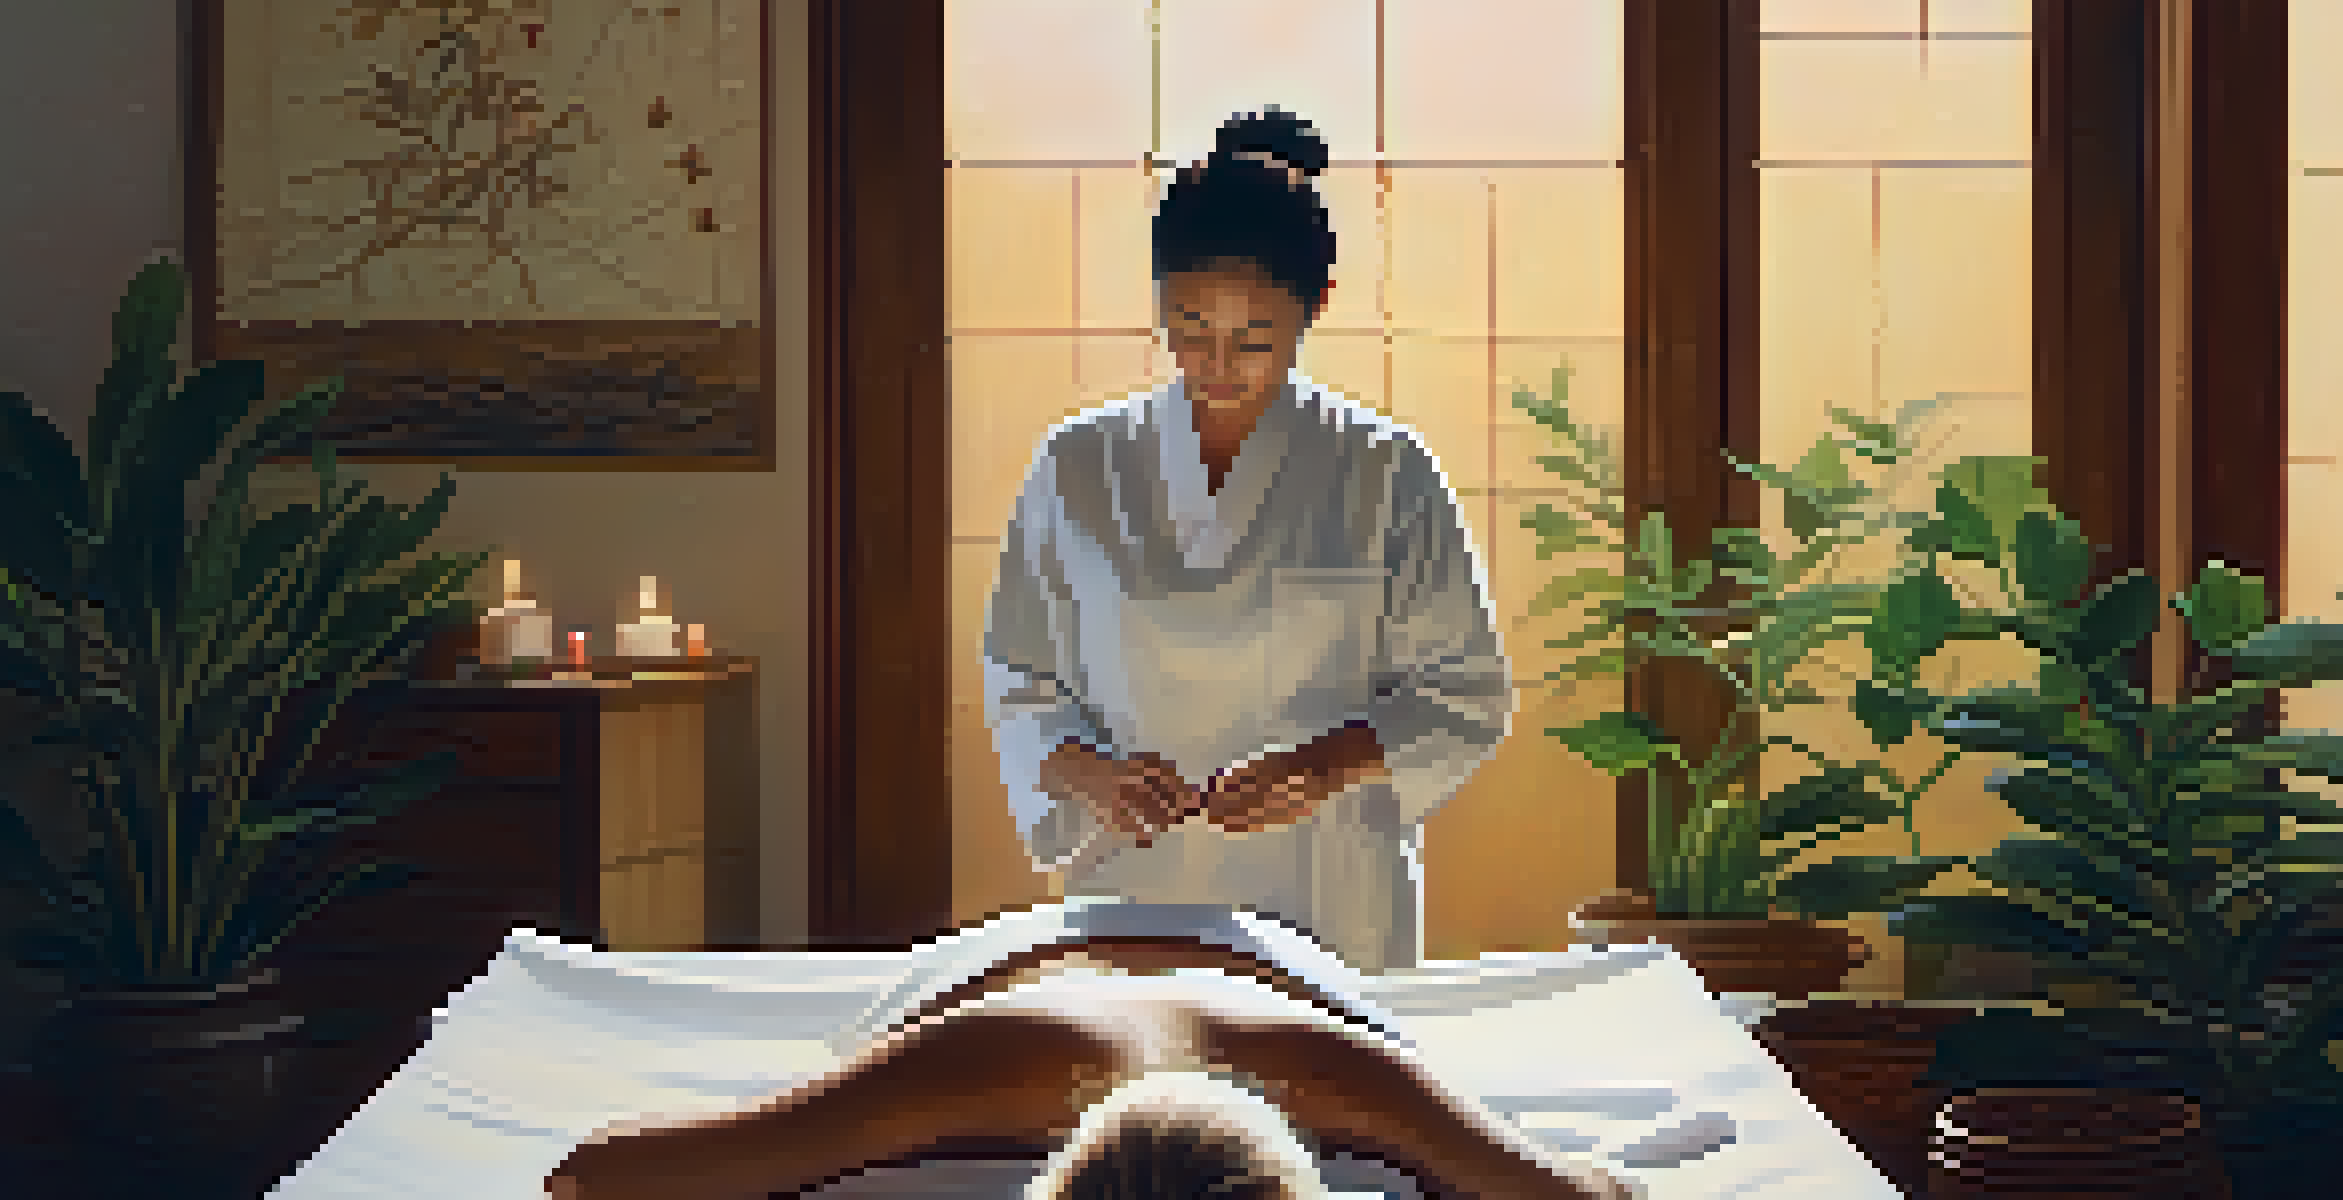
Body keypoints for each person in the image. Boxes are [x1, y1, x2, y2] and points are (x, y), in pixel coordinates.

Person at [982, 106, 1511, 974]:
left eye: (1253, 340)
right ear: (1158, 298)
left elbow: (1466, 693)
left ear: (1317, 308)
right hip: (1133, 886)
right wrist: (1083, 770)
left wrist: (1328, 766)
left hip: (1328, 898)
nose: (1217, 363)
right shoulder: (1079, 464)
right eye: (1189, 328)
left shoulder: (1384, 470)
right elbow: (1020, 676)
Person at [541, 940, 1633, 1199]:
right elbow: (593, 1173)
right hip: (1016, 961)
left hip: (1272, 959)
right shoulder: (978, 1065)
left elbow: (597, 1173)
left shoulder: (1340, 1069)